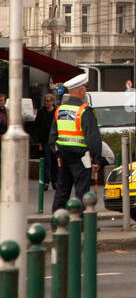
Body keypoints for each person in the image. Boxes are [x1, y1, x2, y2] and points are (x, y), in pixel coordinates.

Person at [48, 70, 104, 211]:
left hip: (63, 156)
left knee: (62, 190)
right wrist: (96, 159)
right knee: (82, 191)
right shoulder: (84, 111)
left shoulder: (60, 110)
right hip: (80, 157)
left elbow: (52, 137)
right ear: (80, 91)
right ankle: (81, 223)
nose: (85, 91)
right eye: (84, 88)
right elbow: (93, 137)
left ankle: (57, 221)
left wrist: (57, 153)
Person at [31, 89, 59, 187]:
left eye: (48, 101)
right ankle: (46, 181)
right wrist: (38, 140)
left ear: (52, 102)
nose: (46, 103)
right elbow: (37, 125)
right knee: (47, 161)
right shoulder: (41, 112)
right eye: (45, 101)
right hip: (46, 140)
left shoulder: (56, 112)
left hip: (55, 140)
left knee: (55, 162)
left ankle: (55, 181)